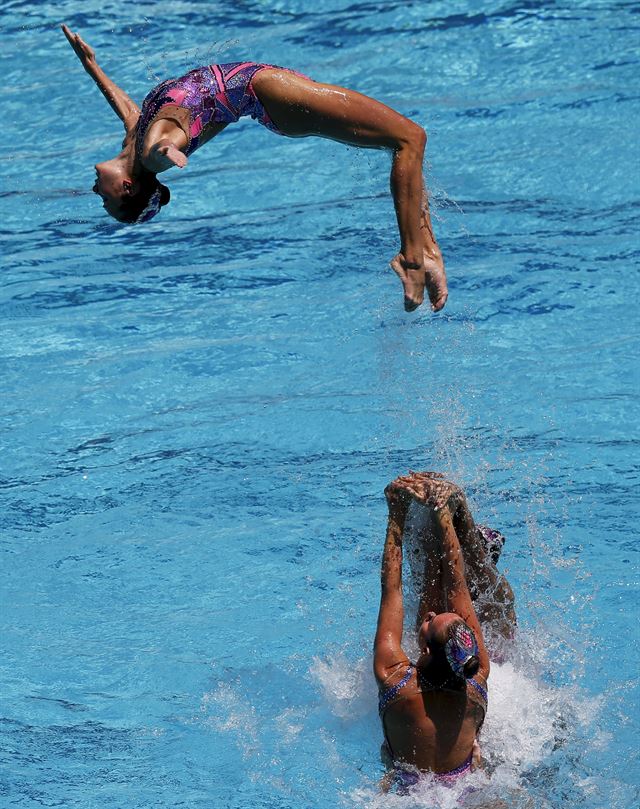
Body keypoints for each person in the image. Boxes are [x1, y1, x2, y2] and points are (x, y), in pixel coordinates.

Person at [61, 24, 447, 312]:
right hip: (269, 96)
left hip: (266, 94)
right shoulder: (150, 152)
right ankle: (412, 256)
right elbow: (166, 141)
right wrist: (169, 150)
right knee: (409, 138)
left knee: (403, 140)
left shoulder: (135, 137)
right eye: (105, 201)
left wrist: (91, 66)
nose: (95, 192)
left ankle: (427, 250)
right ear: (127, 187)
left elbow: (130, 111)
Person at [374, 472, 516, 793]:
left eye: (429, 621)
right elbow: (458, 585)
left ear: (423, 649)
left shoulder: (393, 678)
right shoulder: (476, 675)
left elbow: (391, 590)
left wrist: (396, 512)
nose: (432, 612)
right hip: (465, 787)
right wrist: (446, 511)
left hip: (406, 792)